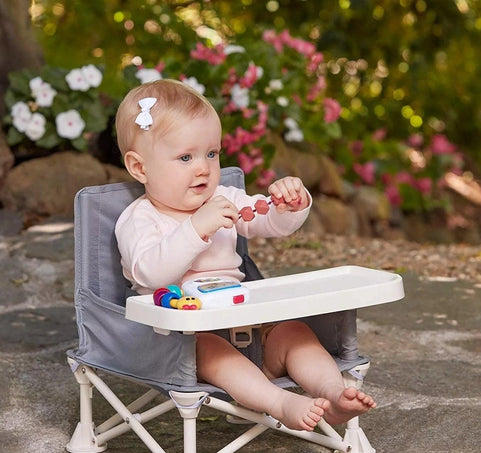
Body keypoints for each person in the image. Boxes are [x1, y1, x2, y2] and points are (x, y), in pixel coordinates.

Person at [115, 79, 375, 431]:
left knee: (293, 332)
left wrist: (288, 206)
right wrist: (196, 229)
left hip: (248, 328)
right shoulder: (138, 218)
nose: (203, 168)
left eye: (211, 153)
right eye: (185, 157)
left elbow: (265, 220)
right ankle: (279, 402)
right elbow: (148, 273)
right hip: (183, 346)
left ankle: (332, 394)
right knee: (208, 349)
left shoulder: (223, 198)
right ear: (140, 167)